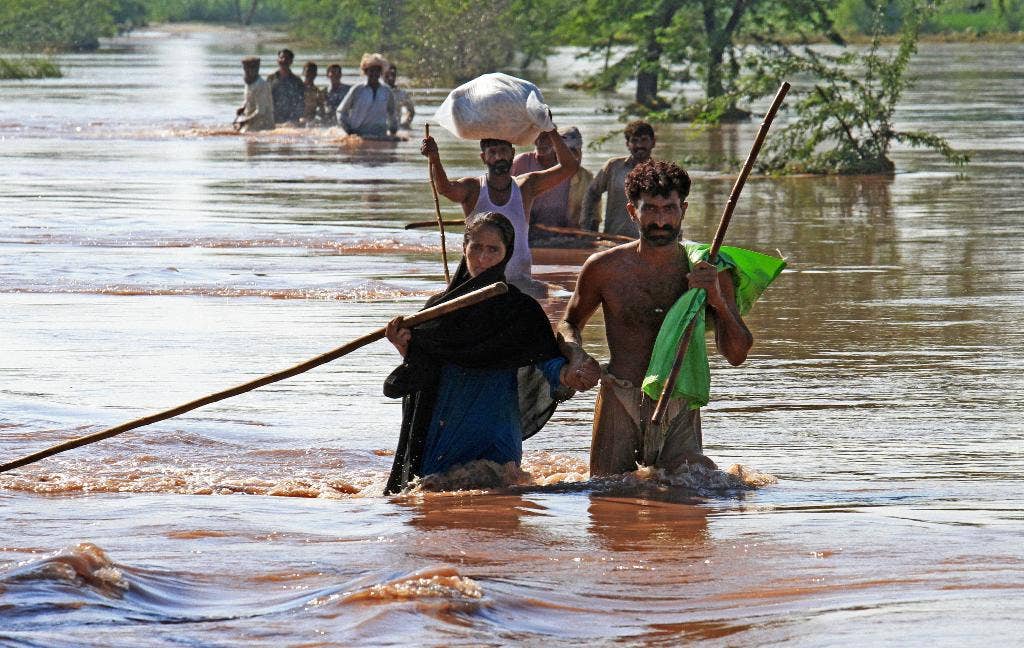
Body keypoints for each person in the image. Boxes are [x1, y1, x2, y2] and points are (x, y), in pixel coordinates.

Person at [558, 160, 753, 477]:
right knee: (607, 498)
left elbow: (737, 354)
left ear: (683, 210)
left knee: (695, 497)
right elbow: (569, 323)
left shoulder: (709, 270)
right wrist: (576, 355)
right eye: (650, 209)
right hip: (620, 394)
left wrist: (716, 299)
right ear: (633, 212)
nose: (660, 220)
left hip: (679, 398)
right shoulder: (603, 268)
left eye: (669, 209)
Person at [382, 212, 600, 494]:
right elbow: (422, 369)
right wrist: (403, 345)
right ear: (464, 249)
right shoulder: (437, 310)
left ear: (506, 254)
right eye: (476, 247)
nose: (483, 258)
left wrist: (571, 374)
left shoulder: (521, 311)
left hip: (495, 430)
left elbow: (548, 363)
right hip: (444, 429)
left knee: (496, 502)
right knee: (430, 503)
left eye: (493, 249)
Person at [419, 127, 579, 288]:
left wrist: (550, 131)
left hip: (519, 282)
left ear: (513, 154)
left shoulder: (525, 186)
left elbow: (570, 167)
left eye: (503, 151)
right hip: (480, 282)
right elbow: (445, 188)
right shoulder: (473, 188)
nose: (499, 156)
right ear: (483, 157)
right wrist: (435, 158)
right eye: (492, 152)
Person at [510, 126, 595, 245]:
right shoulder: (521, 163)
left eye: (546, 137)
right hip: (527, 234)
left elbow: (591, 215)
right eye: (537, 137)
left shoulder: (578, 173)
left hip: (564, 236)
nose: (540, 142)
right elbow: (505, 196)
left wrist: (585, 237)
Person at [582, 120, 657, 238]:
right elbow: (592, 193)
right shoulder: (613, 167)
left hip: (647, 242)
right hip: (613, 240)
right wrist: (589, 227)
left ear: (653, 142)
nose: (639, 145)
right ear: (627, 144)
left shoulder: (660, 173)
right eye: (634, 141)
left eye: (644, 140)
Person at [337, 53, 398, 138]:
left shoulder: (387, 91)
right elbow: (341, 111)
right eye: (371, 71)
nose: (374, 73)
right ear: (366, 72)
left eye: (377, 71)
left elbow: (392, 113)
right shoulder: (357, 89)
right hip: (358, 134)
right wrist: (349, 131)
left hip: (380, 135)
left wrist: (393, 132)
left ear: (381, 72)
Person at [234, 56, 274, 132]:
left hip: (264, 128)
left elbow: (261, 112)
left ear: (256, 69)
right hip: (251, 124)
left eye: (249, 68)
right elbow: (248, 98)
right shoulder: (249, 82)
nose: (246, 71)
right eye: (245, 68)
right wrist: (242, 107)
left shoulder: (262, 85)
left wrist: (244, 121)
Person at [266, 48, 305, 125]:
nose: (283, 60)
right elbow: (266, 98)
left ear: (291, 62)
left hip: (291, 120)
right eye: (281, 57)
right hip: (273, 118)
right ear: (277, 60)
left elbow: (301, 102)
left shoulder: (297, 81)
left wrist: (295, 119)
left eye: (287, 58)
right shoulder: (271, 79)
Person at [383, 64, 415, 130]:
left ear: (395, 76)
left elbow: (411, 111)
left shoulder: (402, 94)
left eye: (393, 75)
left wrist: (405, 124)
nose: (390, 78)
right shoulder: (376, 91)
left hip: (395, 128)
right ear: (382, 75)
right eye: (387, 75)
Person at [300, 61, 326, 126]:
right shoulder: (297, 89)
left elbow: (322, 111)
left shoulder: (318, 92)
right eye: (308, 71)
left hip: (310, 122)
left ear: (315, 74)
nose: (310, 74)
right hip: (297, 120)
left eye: (312, 72)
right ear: (303, 73)